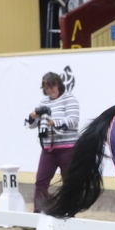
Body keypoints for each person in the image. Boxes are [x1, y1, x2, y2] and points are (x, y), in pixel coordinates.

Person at [27, 72, 80, 213]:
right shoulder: (43, 102)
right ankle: (38, 213)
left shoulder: (69, 99)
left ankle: (69, 212)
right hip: (48, 149)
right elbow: (31, 125)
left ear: (58, 85)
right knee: (41, 181)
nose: (49, 90)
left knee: (68, 182)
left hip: (67, 148)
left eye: (52, 86)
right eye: (46, 88)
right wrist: (32, 116)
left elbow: (73, 121)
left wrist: (54, 122)